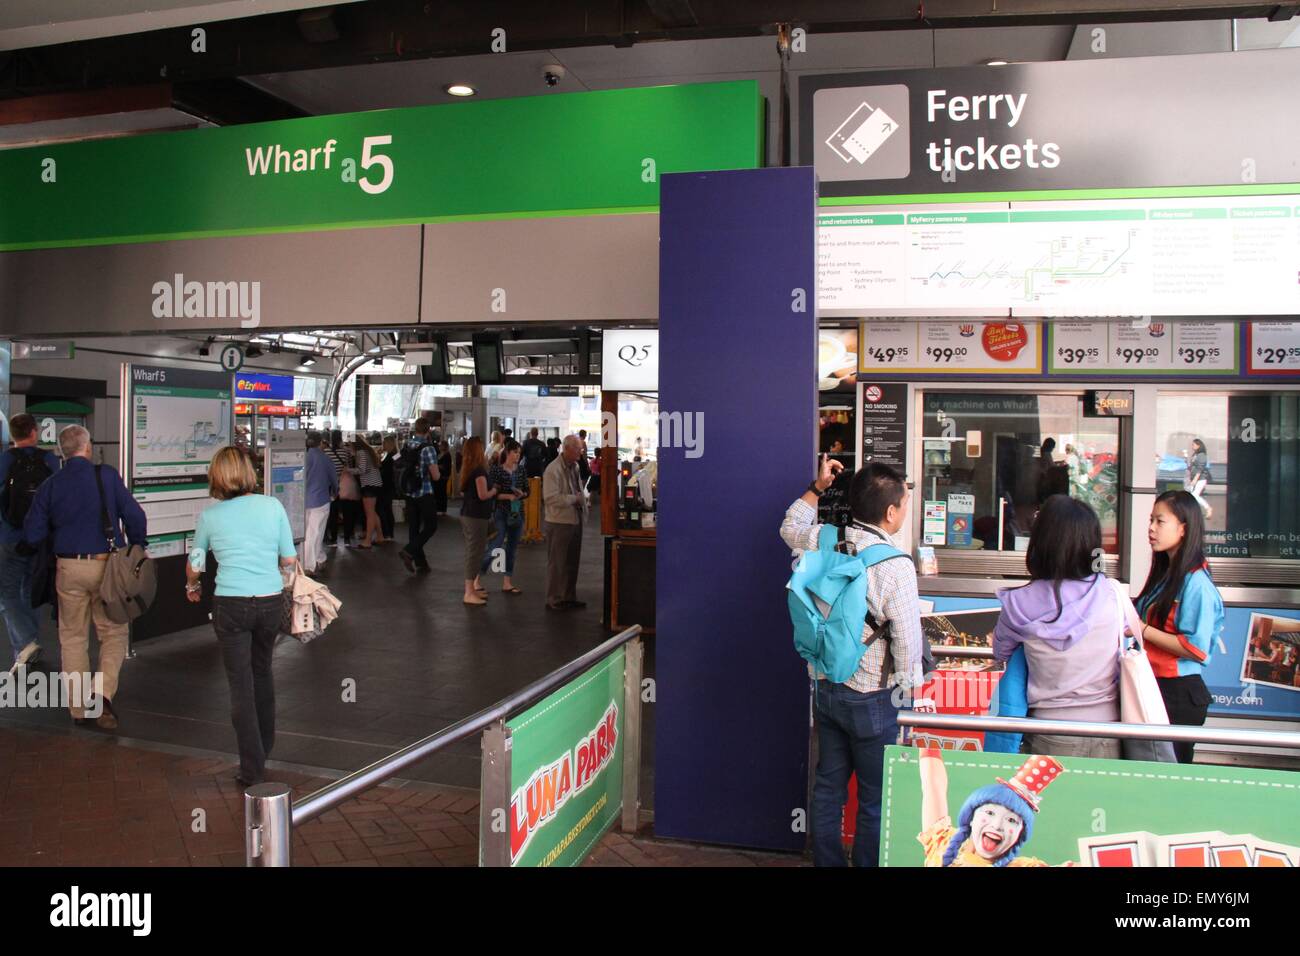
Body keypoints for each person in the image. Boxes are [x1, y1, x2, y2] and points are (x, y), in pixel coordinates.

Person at [780, 455, 925, 867]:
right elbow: (908, 647)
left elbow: (788, 526)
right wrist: (907, 694)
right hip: (874, 698)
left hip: (825, 685)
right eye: (905, 504)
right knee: (876, 798)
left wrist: (818, 487)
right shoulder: (896, 566)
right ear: (891, 511)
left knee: (829, 787)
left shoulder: (827, 538)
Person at [186, 447, 297, 787]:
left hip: (230, 605)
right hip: (269, 603)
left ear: (216, 476)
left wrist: (192, 585)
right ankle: (265, 748)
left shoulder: (210, 516)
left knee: (240, 684)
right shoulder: (272, 506)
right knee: (262, 673)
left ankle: (252, 767)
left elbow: (195, 563)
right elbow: (289, 560)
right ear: (249, 472)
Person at [23, 425, 146, 730]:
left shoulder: (52, 484)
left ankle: (78, 710)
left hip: (68, 567)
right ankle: (101, 696)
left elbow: (33, 532)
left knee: (73, 637)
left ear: (62, 452)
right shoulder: (105, 476)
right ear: (87, 448)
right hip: (107, 567)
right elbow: (135, 516)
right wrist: (138, 546)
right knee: (114, 633)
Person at [992, 495, 1122, 758]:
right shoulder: (1111, 594)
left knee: (1049, 800)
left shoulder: (1018, 603)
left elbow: (1000, 653)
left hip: (1049, 730)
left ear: (1041, 542)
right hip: (1111, 730)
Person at [1135, 490, 1225, 764]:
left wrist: (1141, 629)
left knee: (1168, 777)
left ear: (1184, 528)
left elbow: (1196, 649)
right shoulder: (1167, 574)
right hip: (1155, 686)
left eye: (1160, 521)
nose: (1151, 528)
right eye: (1151, 520)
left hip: (1178, 693)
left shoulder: (1196, 583)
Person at [0, 413, 61, 670]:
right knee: (30, 591)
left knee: (6, 593)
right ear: (34, 432)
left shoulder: (3, 460)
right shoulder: (49, 460)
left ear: (12, 435)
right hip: (40, 539)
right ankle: (27, 646)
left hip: (9, 537)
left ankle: (25, 643)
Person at [542, 435, 587, 611]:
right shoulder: (552, 470)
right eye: (577, 449)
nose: (580, 452)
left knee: (572, 561)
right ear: (566, 449)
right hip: (559, 521)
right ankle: (553, 599)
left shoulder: (574, 466)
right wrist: (574, 499)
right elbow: (550, 498)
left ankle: (568, 596)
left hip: (575, 519)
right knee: (557, 562)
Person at [478, 438, 529, 595]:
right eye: (515, 452)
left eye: (519, 453)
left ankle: (507, 582)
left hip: (517, 513)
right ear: (507, 452)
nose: (518, 456)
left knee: (512, 548)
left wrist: (522, 494)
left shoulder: (521, 470)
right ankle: (477, 577)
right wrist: (508, 497)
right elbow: (493, 494)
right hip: (501, 512)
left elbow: (528, 490)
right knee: (496, 546)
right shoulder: (496, 470)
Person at [399, 419, 441, 574]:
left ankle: (420, 562)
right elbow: (435, 476)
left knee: (413, 527)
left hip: (409, 491)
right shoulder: (428, 449)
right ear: (428, 430)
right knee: (431, 525)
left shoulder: (406, 444)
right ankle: (408, 551)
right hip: (424, 491)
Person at [459, 436, 497, 606]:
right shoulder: (479, 472)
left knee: (473, 552)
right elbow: (483, 495)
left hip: (470, 515)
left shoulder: (468, 470)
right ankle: (468, 592)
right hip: (476, 517)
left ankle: (472, 590)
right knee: (474, 553)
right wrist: (495, 490)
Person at [301, 431, 337, 574]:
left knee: (308, 532)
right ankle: (309, 565)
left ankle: (320, 558)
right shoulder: (325, 458)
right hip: (321, 499)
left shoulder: (303, 457)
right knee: (315, 532)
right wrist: (335, 492)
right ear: (320, 442)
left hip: (304, 500)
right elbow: (333, 478)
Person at [324, 430, 356, 546]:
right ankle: (347, 539)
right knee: (348, 511)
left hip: (332, 485)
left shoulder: (326, 452)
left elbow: (326, 469)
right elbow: (349, 465)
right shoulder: (346, 451)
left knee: (333, 512)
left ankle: (334, 539)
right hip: (345, 484)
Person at [352, 437, 385, 548]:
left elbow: (362, 470)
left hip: (369, 485)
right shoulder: (368, 451)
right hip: (375, 483)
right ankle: (380, 536)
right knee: (373, 512)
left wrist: (347, 470)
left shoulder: (361, 452)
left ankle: (368, 541)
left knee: (369, 513)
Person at [377, 435, 398, 542]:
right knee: (387, 509)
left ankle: (387, 533)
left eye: (384, 443)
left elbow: (385, 469)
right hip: (389, 485)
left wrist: (378, 456)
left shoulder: (392, 455)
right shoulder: (393, 455)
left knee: (383, 509)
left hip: (386, 485)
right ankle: (389, 533)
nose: (383, 445)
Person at [1185, 438, 1212, 519]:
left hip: (1200, 479)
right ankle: (1191, 513)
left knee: (1194, 495)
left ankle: (1208, 508)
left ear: (1198, 445)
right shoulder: (1195, 455)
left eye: (1193, 444)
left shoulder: (1202, 455)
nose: (1192, 446)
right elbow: (1191, 466)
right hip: (1194, 478)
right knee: (1191, 496)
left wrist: (1195, 480)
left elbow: (1200, 469)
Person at [435, 439, 452, 515]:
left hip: (444, 476)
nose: (439, 446)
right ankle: (439, 508)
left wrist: (437, 466)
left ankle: (443, 509)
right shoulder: (439, 454)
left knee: (442, 493)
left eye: (440, 445)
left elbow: (445, 467)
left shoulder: (447, 455)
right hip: (439, 475)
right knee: (439, 492)